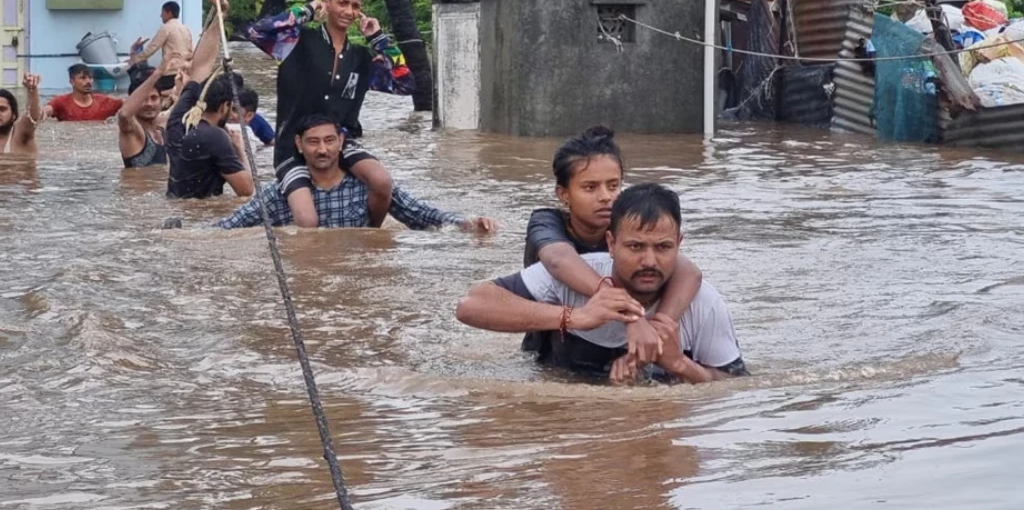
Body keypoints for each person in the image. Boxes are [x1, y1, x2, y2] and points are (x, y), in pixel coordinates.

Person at [455, 183, 747, 385]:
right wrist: (576, 317)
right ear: (610, 243)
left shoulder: (703, 303)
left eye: (663, 247)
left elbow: (738, 389)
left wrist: (680, 365)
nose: (649, 261)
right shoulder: (575, 278)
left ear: (679, 245)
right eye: (635, 247)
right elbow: (472, 305)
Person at [520, 126, 704, 381]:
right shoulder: (547, 222)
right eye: (590, 188)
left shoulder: (627, 225)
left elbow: (688, 271)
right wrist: (628, 311)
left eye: (613, 185)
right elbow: (558, 260)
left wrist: (657, 326)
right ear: (563, 194)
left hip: (619, 341)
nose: (606, 197)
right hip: (553, 345)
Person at [244, 0, 414, 229]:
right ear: (327, 3)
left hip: (341, 145)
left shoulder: (361, 58)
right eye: (342, 3)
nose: (349, 11)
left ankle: (369, 235)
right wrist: (307, 10)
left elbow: (405, 83)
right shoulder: (296, 42)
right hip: (293, 148)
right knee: (307, 220)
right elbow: (256, 32)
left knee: (381, 181)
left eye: (355, 6)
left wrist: (378, 38)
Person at [197, 113, 498, 232]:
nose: (323, 149)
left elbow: (421, 215)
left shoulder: (365, 186)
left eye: (329, 141)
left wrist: (467, 224)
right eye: (313, 142)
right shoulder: (281, 194)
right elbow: (228, 228)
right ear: (299, 145)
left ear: (341, 142)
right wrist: (185, 235)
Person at [166, 0, 254, 199]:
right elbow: (247, 190)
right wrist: (240, 150)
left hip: (175, 203)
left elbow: (202, 65)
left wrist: (219, 15)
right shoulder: (215, 136)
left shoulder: (177, 120)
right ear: (224, 106)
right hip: (200, 214)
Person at [118, 53, 176, 168]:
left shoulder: (162, 126)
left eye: (154, 98)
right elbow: (124, 114)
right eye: (143, 99)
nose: (149, 104)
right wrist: (158, 73)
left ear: (160, 100)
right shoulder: (132, 130)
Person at [126, 0, 192, 77]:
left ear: (169, 13)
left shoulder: (166, 28)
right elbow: (191, 51)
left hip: (170, 71)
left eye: (162, 13)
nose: (161, 16)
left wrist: (135, 59)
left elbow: (153, 47)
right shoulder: (186, 29)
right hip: (184, 72)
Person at [43, 64, 124, 121]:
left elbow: (127, 103)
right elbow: (44, 112)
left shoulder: (104, 102)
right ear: (72, 82)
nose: (88, 82)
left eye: (90, 78)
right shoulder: (61, 102)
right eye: (83, 78)